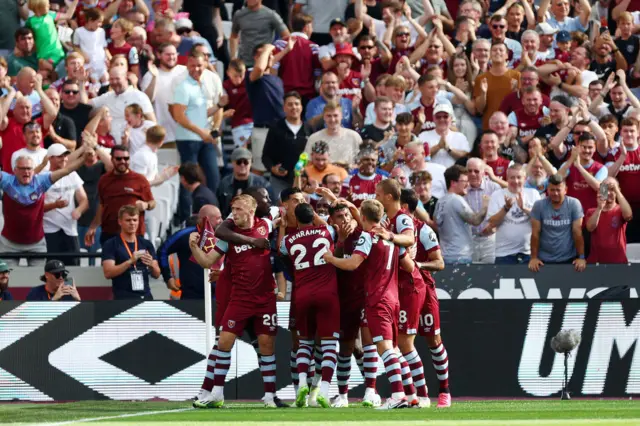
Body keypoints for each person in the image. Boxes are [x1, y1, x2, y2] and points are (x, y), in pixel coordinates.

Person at [323, 199, 416, 410]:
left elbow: (352, 263)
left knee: (383, 347)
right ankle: (411, 396)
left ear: (362, 217)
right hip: (393, 299)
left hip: (376, 298)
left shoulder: (368, 236)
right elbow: (409, 267)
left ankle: (398, 394)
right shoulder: (391, 236)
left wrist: (330, 258)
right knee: (391, 347)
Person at [190, 194, 279, 408]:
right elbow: (207, 261)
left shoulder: (266, 225)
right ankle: (217, 393)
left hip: (265, 298)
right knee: (224, 342)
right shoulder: (227, 237)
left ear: (251, 211)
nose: (234, 213)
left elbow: (279, 216)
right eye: (233, 209)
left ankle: (269, 397)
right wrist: (194, 246)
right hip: (239, 298)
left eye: (238, 209)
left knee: (267, 346)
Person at [374, 179, 431, 408]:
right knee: (398, 344)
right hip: (398, 285)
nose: (376, 196)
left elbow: (408, 237)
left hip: (411, 284)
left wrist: (390, 237)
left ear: (388, 196)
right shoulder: (388, 220)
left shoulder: (402, 217)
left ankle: (423, 395)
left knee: (405, 344)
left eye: (378, 193)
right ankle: (411, 395)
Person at [280, 203, 338, 408]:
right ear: (313, 215)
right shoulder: (327, 230)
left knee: (304, 343)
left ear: (296, 219)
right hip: (328, 294)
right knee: (330, 344)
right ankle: (324, 390)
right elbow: (333, 229)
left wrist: (284, 226)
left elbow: (280, 250)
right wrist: (317, 218)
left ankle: (303, 382)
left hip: (302, 294)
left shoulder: (288, 240)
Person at [0, 139, 92, 266]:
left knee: (40, 280)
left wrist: (84, 158)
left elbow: (66, 171)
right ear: (15, 170)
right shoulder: (6, 180)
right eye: (22, 169)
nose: (26, 172)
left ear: (33, 170)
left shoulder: (42, 181)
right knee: (6, 282)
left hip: (37, 243)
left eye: (29, 169)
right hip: (9, 243)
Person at [171, 51, 220, 222]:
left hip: (206, 138)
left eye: (199, 65)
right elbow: (179, 116)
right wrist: (201, 132)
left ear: (205, 63)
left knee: (213, 176)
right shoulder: (182, 85)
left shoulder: (210, 81)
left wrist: (215, 130)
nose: (196, 69)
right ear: (187, 66)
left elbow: (217, 106)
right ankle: (187, 219)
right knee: (188, 180)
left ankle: (215, 218)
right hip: (188, 138)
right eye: (192, 65)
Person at [84, 145, 155, 247]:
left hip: (134, 234)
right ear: (112, 159)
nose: (123, 161)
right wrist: (93, 227)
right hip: (110, 233)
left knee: (134, 263)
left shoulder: (140, 180)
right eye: (118, 158)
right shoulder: (104, 180)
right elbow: (102, 206)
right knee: (109, 263)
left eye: (126, 158)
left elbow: (152, 202)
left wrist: (146, 205)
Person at [158, 204, 222, 299]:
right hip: (191, 295)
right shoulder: (185, 235)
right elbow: (162, 251)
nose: (221, 221)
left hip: (217, 293)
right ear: (206, 219)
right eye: (218, 218)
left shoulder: (223, 236)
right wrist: (168, 277)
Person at [529, 174, 586, 272]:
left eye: (558, 190)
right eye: (552, 190)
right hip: (543, 261)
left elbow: (577, 232)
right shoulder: (539, 205)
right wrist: (533, 257)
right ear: (547, 190)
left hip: (568, 259)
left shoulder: (574, 204)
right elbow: (535, 233)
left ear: (565, 190)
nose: (555, 193)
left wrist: (581, 257)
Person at [102, 204, 160, 300]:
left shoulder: (146, 244)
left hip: (146, 296)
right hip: (123, 298)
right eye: (128, 220)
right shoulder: (111, 244)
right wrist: (130, 261)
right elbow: (108, 273)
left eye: (135, 220)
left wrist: (151, 265)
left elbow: (157, 274)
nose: (132, 223)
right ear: (120, 221)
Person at [43, 143, 88, 266]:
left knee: (74, 269)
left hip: (70, 230)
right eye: (60, 156)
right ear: (50, 158)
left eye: (65, 156)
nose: (64, 159)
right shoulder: (43, 177)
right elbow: (36, 208)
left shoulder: (72, 175)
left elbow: (84, 199)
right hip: (49, 231)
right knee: (52, 270)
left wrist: (79, 210)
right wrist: (54, 205)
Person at [434, 165, 489, 265]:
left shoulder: (440, 201)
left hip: (445, 255)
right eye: (464, 181)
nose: (468, 184)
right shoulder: (456, 200)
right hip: (459, 256)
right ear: (453, 183)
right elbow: (475, 220)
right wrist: (485, 206)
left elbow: (436, 223)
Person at [487, 163, 541, 264]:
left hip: (529, 254)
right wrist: (506, 208)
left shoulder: (533, 194)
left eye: (519, 177)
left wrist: (524, 208)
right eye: (512, 177)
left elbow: (540, 220)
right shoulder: (497, 195)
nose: (516, 181)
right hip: (503, 254)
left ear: (525, 179)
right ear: (507, 178)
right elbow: (492, 223)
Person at [262, 91, 313, 196]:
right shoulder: (275, 128)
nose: (294, 107)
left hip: (304, 182)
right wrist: (272, 168)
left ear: (301, 107)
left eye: (297, 104)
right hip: (280, 181)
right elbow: (265, 156)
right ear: (284, 108)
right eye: (290, 104)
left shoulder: (309, 129)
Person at [246, 43, 286, 173]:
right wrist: (268, 48)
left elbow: (269, 62)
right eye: (261, 54)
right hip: (262, 130)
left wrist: (287, 50)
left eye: (269, 55)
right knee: (258, 170)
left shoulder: (277, 80)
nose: (267, 56)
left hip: (280, 130)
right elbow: (259, 68)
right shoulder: (251, 75)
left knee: (281, 169)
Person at [90, 67, 155, 143]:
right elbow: (85, 104)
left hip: (135, 147)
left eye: (117, 79)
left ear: (125, 78)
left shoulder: (139, 96)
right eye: (111, 79)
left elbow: (152, 123)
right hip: (113, 148)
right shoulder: (107, 97)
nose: (114, 82)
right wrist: (81, 83)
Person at [140, 43, 185, 143]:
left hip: (185, 134)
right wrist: (154, 77)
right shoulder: (150, 75)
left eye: (174, 54)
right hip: (163, 137)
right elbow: (147, 100)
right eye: (168, 54)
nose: (171, 57)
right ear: (159, 55)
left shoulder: (185, 71)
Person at [77, 140, 113, 263]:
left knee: (96, 258)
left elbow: (112, 165)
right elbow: (66, 164)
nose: (90, 154)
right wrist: (82, 149)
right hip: (78, 221)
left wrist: (95, 146)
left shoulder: (101, 167)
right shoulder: (76, 168)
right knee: (80, 258)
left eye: (93, 152)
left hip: (97, 222)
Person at [586, 177, 633, 264]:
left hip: (618, 261)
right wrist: (600, 208)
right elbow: (590, 228)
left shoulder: (620, 210)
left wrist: (617, 191)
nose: (608, 193)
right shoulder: (592, 211)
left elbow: (628, 215)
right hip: (597, 262)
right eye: (605, 189)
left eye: (611, 189)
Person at [473, 42, 520, 129]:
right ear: (490, 55)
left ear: (506, 55)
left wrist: (516, 92)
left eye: (501, 50)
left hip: (510, 127)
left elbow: (521, 105)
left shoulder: (516, 76)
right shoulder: (481, 78)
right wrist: (483, 93)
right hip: (489, 127)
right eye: (494, 50)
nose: (497, 52)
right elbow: (479, 109)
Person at [229, 0, 289, 68]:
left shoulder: (271, 15)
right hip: (244, 63)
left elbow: (286, 36)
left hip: (264, 64)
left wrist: (274, 54)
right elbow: (233, 36)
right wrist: (233, 57)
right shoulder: (239, 15)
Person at [464, 158, 501, 264]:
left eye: (476, 171)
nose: (472, 174)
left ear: (484, 173)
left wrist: (495, 227)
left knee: (490, 272)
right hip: (469, 240)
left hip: (490, 239)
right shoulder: (462, 189)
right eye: (469, 171)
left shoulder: (494, 188)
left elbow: (504, 212)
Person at [304, 102, 362, 167]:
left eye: (335, 115)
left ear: (341, 116)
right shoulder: (314, 138)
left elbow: (362, 163)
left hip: (349, 175)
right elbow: (307, 164)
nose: (332, 119)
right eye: (329, 116)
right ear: (324, 117)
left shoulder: (354, 137)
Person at [217, 148, 271, 216]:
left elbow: (270, 206)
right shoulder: (224, 183)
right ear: (233, 163)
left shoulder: (262, 184)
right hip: (230, 220)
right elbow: (219, 207)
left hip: (255, 221)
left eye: (246, 162)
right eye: (239, 162)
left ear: (251, 163)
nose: (242, 165)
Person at [419, 103, 470, 168]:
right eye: (438, 117)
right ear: (433, 119)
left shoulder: (460, 136)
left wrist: (448, 148)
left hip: (453, 175)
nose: (442, 119)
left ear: (451, 119)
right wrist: (438, 147)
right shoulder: (423, 135)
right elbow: (420, 156)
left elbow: (465, 157)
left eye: (445, 116)